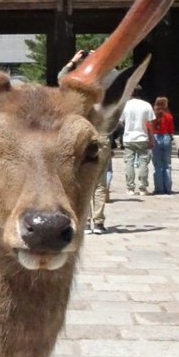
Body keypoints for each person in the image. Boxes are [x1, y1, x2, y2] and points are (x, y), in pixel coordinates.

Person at [60, 49, 111, 234]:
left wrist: (73, 61)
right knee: (99, 184)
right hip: (100, 137)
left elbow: (61, 77)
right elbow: (116, 77)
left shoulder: (75, 91)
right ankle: (97, 222)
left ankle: (85, 220)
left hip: (79, 137)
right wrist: (102, 56)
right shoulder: (103, 85)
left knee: (79, 180)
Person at [121, 85, 154, 196]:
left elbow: (121, 121)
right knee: (143, 163)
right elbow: (150, 124)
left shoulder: (125, 105)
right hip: (142, 137)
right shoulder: (147, 105)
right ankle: (143, 187)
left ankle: (130, 187)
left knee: (129, 163)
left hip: (128, 137)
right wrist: (151, 138)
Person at [148, 96, 176, 195]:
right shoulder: (169, 116)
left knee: (157, 165)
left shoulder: (152, 115)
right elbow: (171, 130)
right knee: (167, 165)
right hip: (166, 138)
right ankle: (167, 188)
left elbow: (149, 127)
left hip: (155, 138)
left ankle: (159, 188)